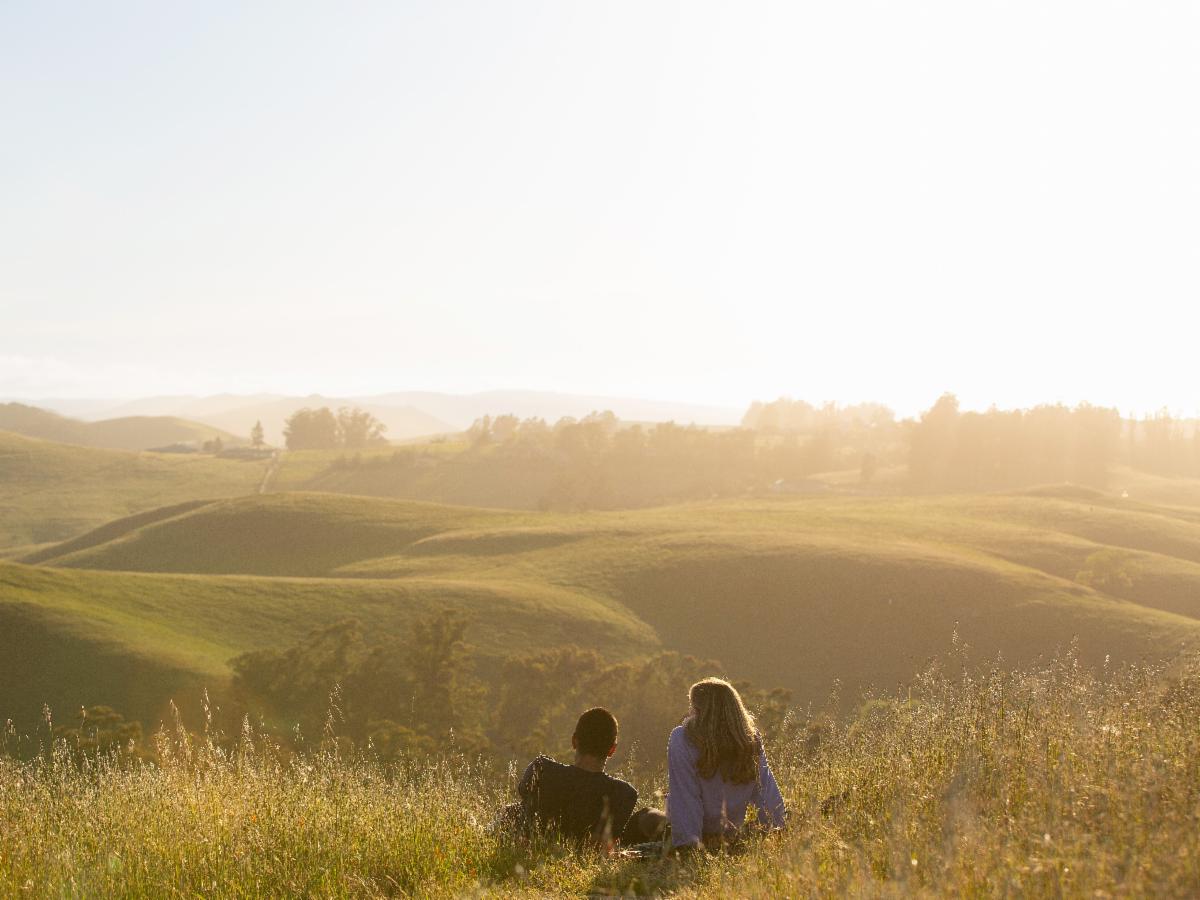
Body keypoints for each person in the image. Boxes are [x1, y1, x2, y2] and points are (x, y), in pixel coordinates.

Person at [500, 707, 665, 852]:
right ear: (612, 750)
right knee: (648, 815)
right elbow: (609, 842)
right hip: (590, 855)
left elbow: (524, 800)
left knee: (511, 810)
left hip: (538, 851)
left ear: (574, 741)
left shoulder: (541, 769)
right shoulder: (623, 794)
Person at [666, 677, 787, 852]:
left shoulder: (683, 738)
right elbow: (766, 792)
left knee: (646, 817)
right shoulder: (749, 739)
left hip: (696, 835)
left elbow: (686, 796)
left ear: (699, 709)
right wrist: (777, 829)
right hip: (731, 833)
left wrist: (689, 845)